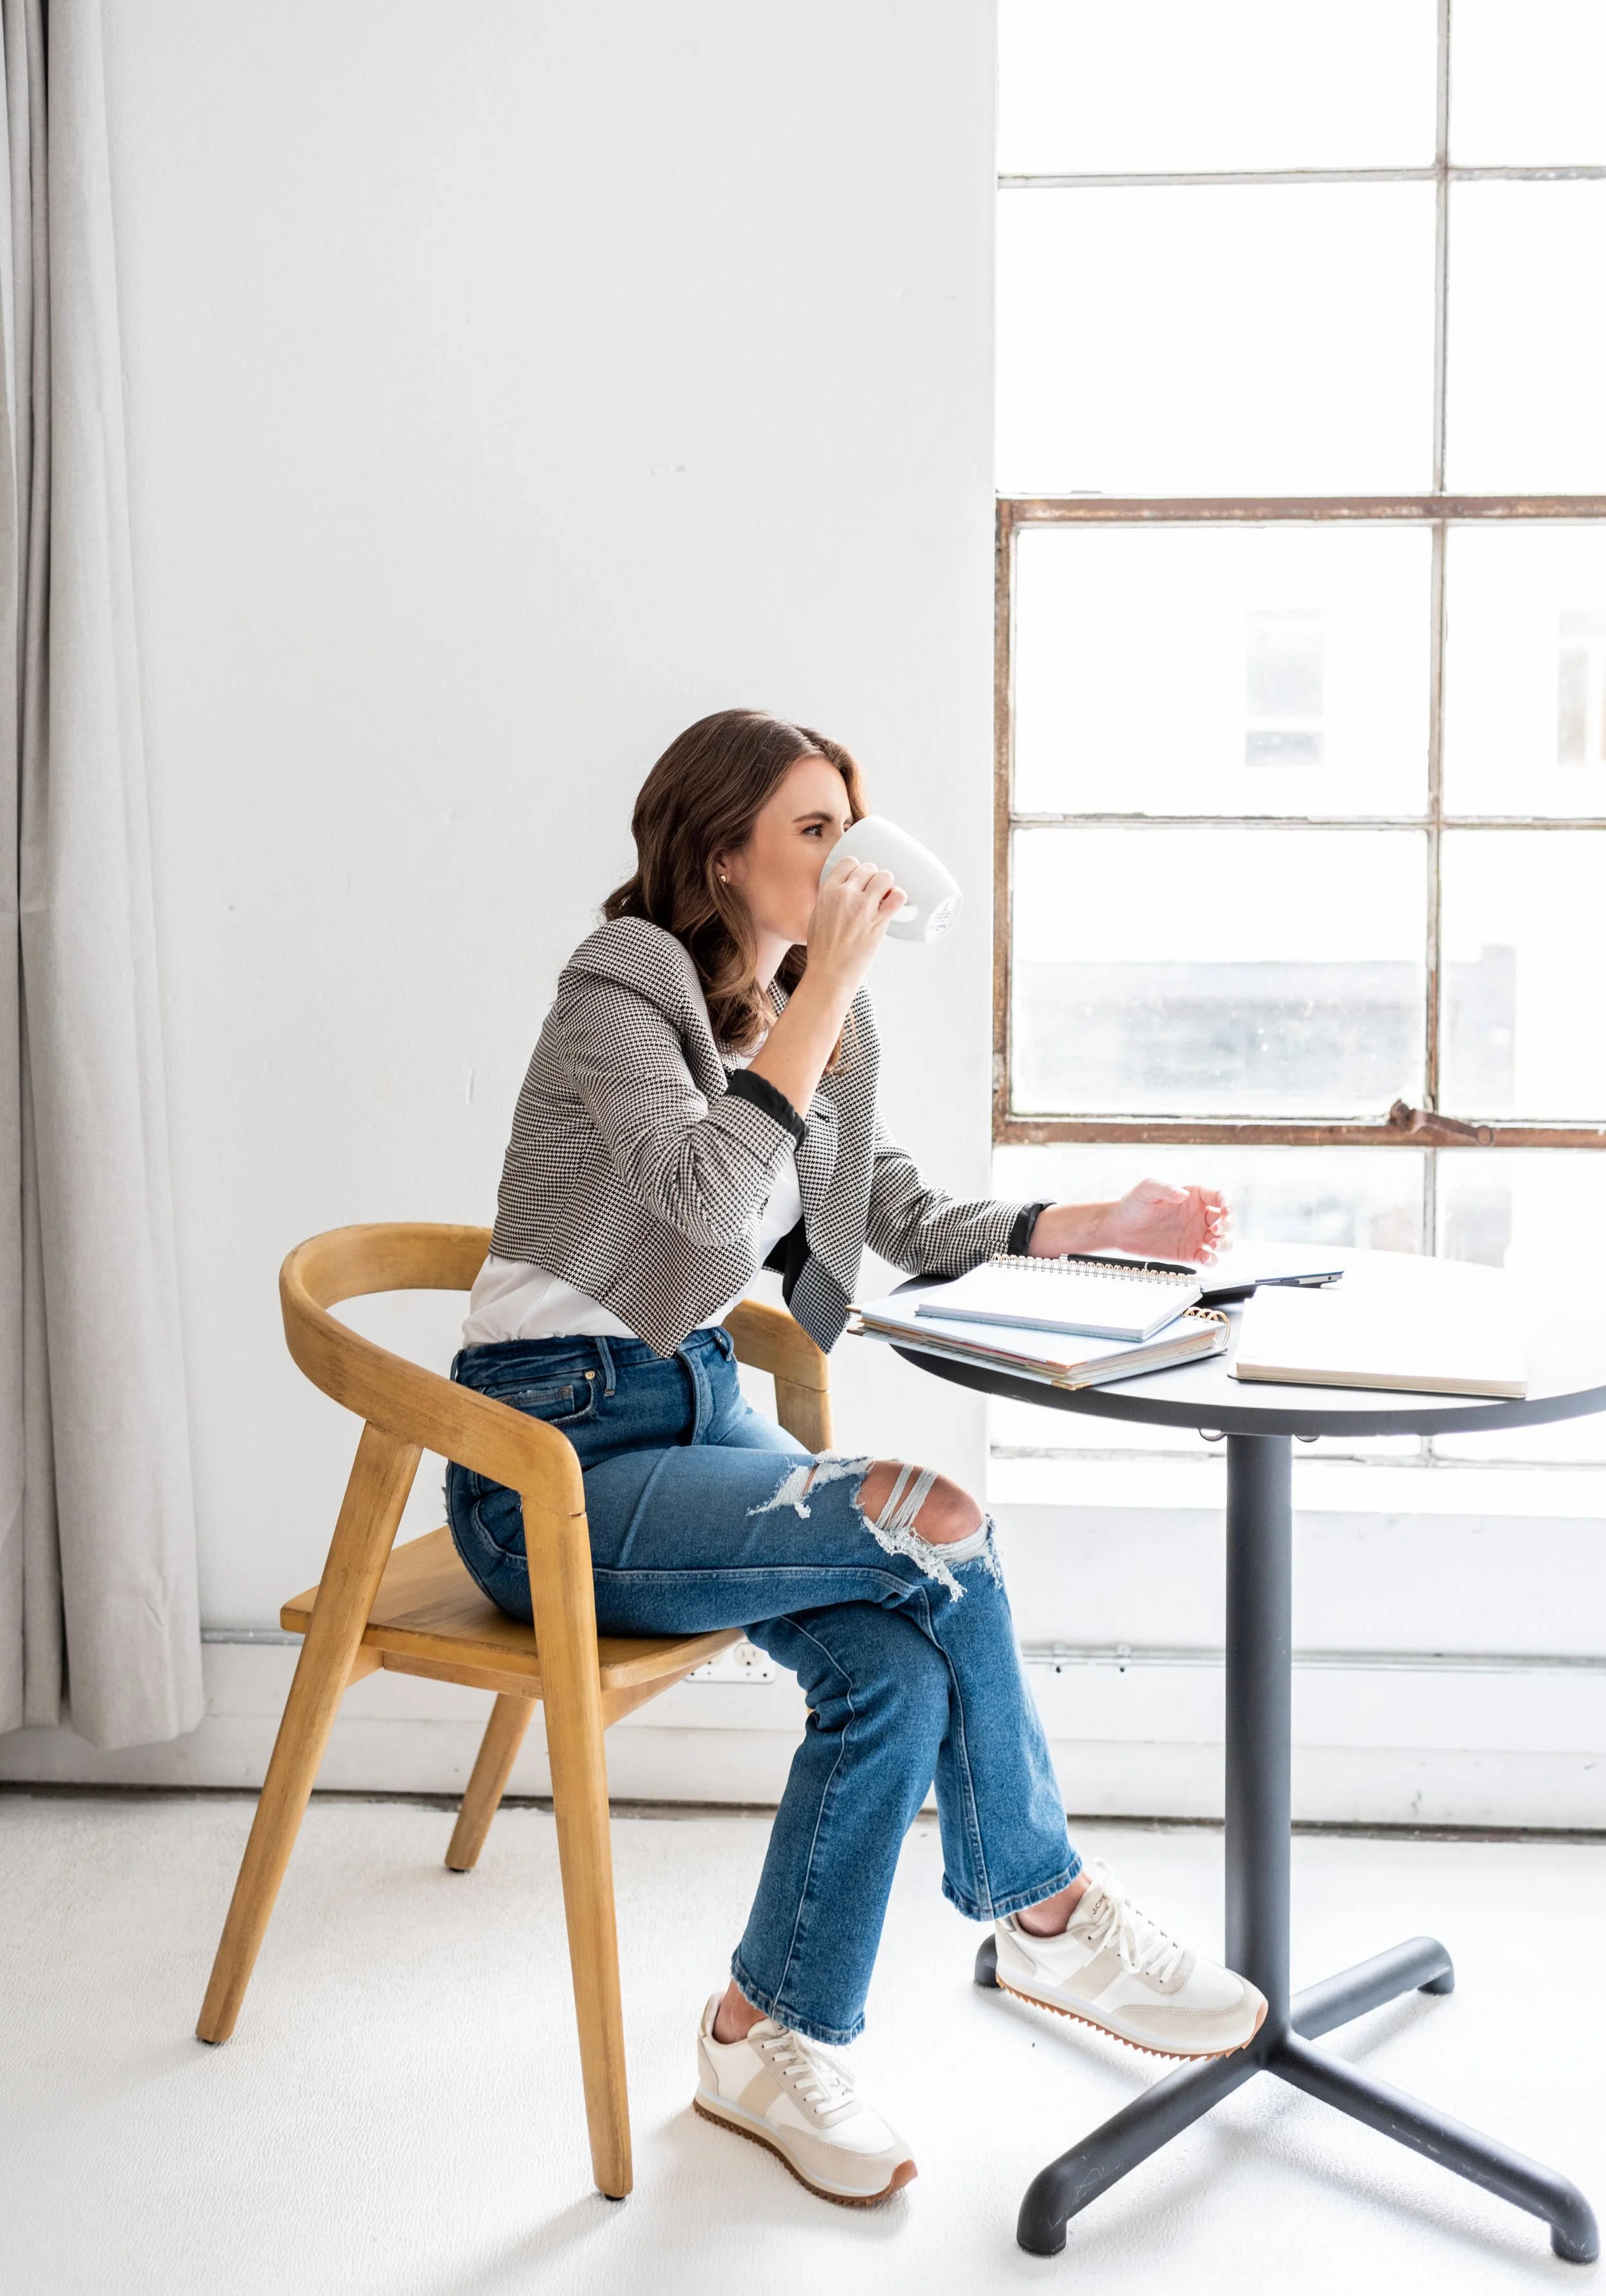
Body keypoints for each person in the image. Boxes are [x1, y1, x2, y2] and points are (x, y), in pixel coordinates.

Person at [446, 709, 1265, 2208]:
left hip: (697, 1419)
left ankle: (760, 2035)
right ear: (721, 853)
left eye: (850, 823)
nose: (850, 859)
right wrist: (818, 998)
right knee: (935, 1519)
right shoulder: (620, 988)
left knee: (888, 1668)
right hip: (546, 1454)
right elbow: (704, 1206)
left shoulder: (826, 1016)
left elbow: (882, 1206)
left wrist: (1090, 1224)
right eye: (814, 832)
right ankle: (1049, 1912)